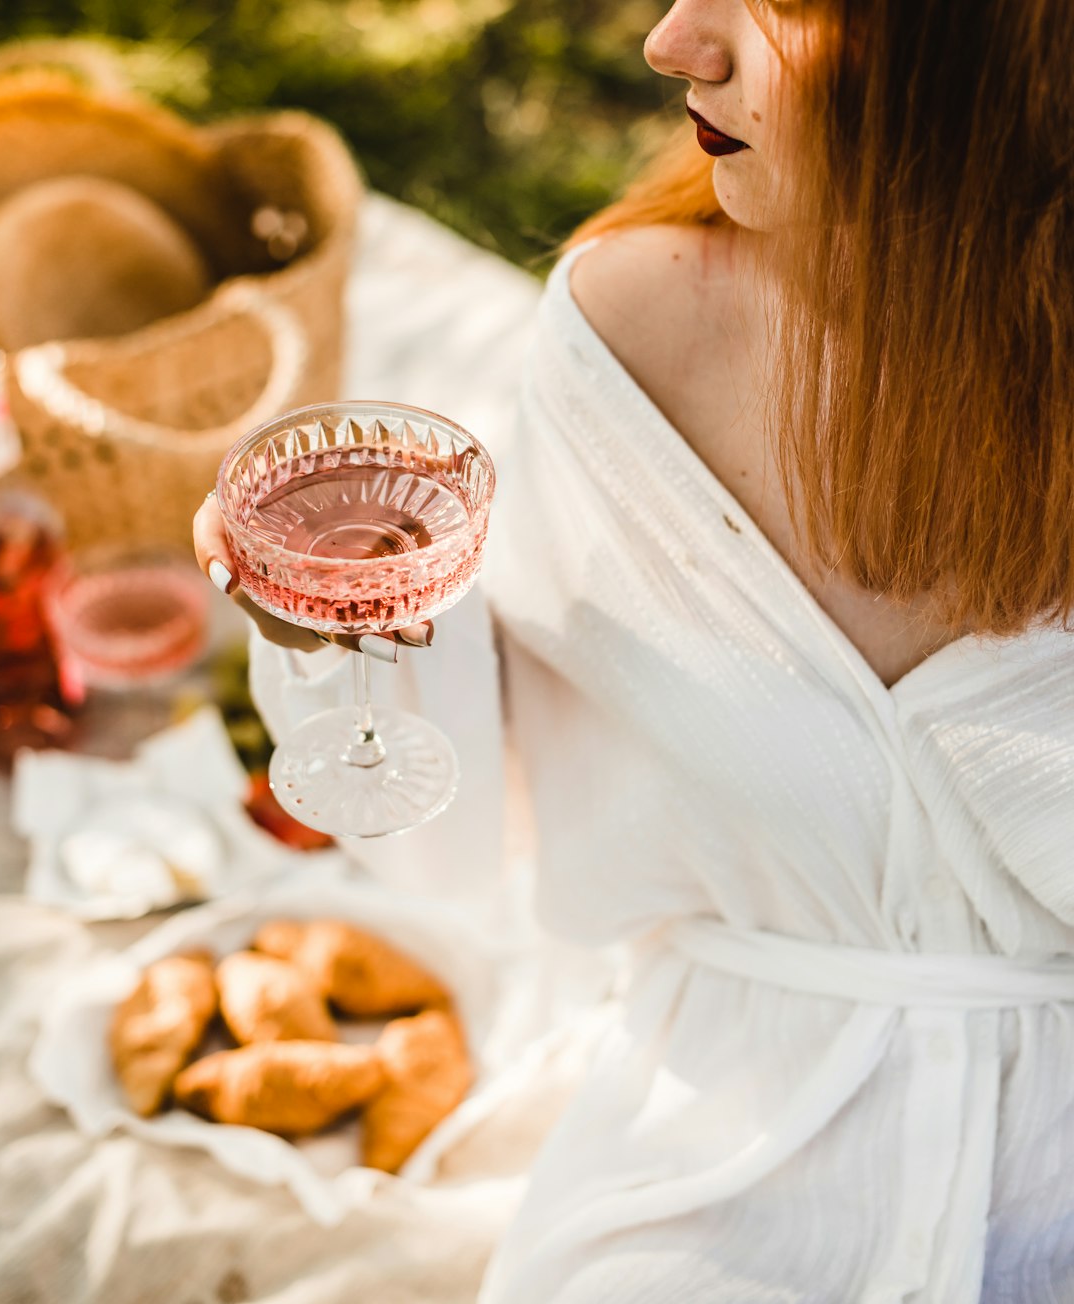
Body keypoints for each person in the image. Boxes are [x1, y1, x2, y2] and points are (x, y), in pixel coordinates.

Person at [195, 0, 1074, 1298]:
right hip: (722, 1172)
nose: (673, 45)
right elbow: (486, 801)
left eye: (780, 7)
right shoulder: (635, 336)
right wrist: (361, 639)